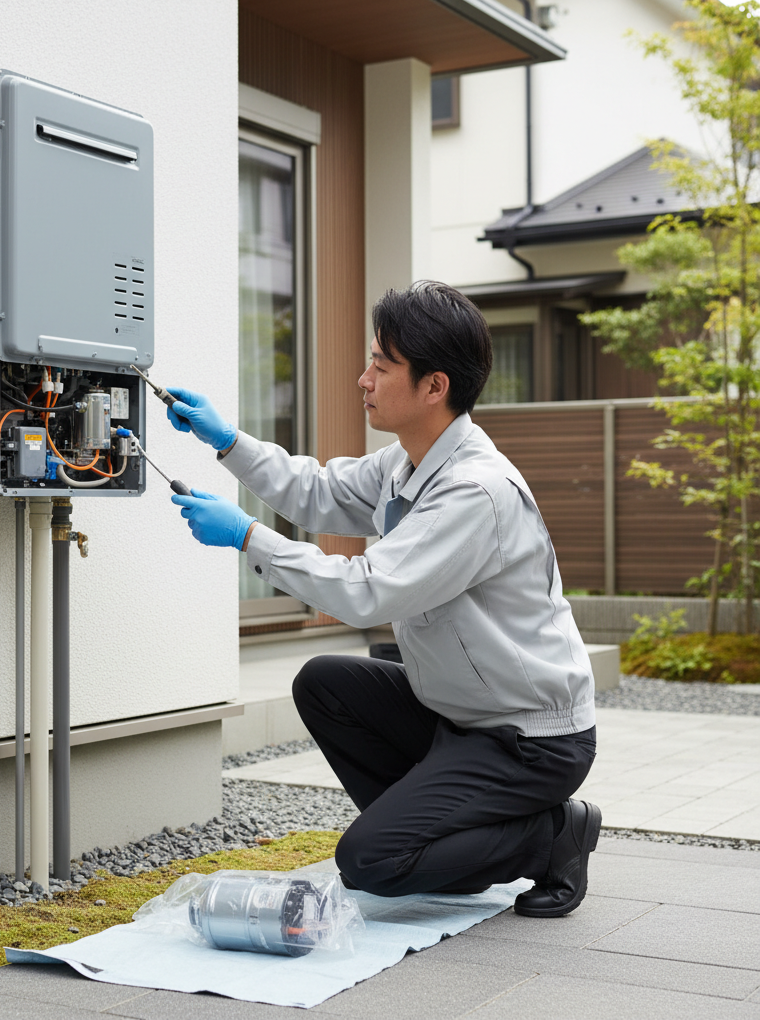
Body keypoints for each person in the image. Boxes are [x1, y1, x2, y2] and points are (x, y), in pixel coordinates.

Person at [167, 281, 600, 917]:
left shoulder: (474, 492)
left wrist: (248, 538)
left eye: (382, 364)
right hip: (459, 718)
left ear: (435, 386)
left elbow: (370, 590)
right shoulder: (405, 462)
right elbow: (316, 490)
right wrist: (226, 441)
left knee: (371, 862)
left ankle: (551, 836)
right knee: (326, 682)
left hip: (527, 739)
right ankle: (439, 830)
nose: (363, 378)